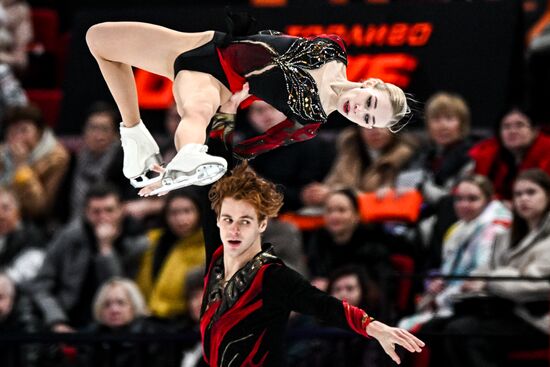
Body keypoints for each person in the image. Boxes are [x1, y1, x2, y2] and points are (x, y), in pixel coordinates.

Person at [85, 15, 410, 195]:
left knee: (196, 111)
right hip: (206, 45)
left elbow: (247, 149)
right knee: (98, 40)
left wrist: (227, 114)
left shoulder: (308, 123)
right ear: (371, 84)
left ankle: (186, 159)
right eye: (370, 103)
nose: (360, 112)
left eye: (369, 119)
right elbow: (275, 38)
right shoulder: (333, 50)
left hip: (220, 83)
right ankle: (135, 134)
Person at [198, 162, 423, 366]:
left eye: (245, 221)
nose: (234, 230)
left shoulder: (273, 276)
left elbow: (325, 305)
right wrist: (223, 117)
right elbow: (214, 157)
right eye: (227, 220)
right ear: (217, 221)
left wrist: (374, 327)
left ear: (262, 224)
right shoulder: (217, 256)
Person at [420, 169, 550, 367]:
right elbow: (484, 270)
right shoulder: (505, 236)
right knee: (434, 327)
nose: (523, 199)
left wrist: (488, 282)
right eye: (518, 194)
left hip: (536, 319)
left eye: (531, 192)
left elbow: (536, 286)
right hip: (503, 311)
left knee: (464, 331)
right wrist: (479, 280)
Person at [398, 175, 511, 332]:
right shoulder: (457, 228)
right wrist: (441, 283)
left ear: (488, 201)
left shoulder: (496, 229)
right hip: (452, 298)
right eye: (459, 199)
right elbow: (449, 271)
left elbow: (480, 274)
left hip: (477, 303)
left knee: (428, 330)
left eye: (472, 199)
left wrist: (447, 292)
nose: (464, 205)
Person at [29, 183, 149, 331]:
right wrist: (57, 321)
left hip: (116, 322)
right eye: (96, 212)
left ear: (121, 210)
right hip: (68, 317)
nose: (103, 217)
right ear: (86, 213)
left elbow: (116, 288)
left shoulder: (136, 242)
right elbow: (41, 286)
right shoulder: (69, 237)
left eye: (109, 210)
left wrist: (105, 249)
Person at [135, 188, 205, 321]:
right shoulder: (154, 241)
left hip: (188, 320)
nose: (180, 219)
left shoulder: (208, 245)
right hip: (150, 317)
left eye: (187, 211)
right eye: (174, 213)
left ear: (199, 212)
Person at [78, 277, 170, 367]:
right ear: (99, 310)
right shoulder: (90, 337)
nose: (114, 310)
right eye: (107, 304)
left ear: (134, 306)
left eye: (121, 303)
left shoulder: (153, 337)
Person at [469, 106, 550, 202]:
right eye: (506, 127)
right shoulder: (490, 154)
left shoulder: (546, 151)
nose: (512, 131)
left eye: (520, 125)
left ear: (535, 131)